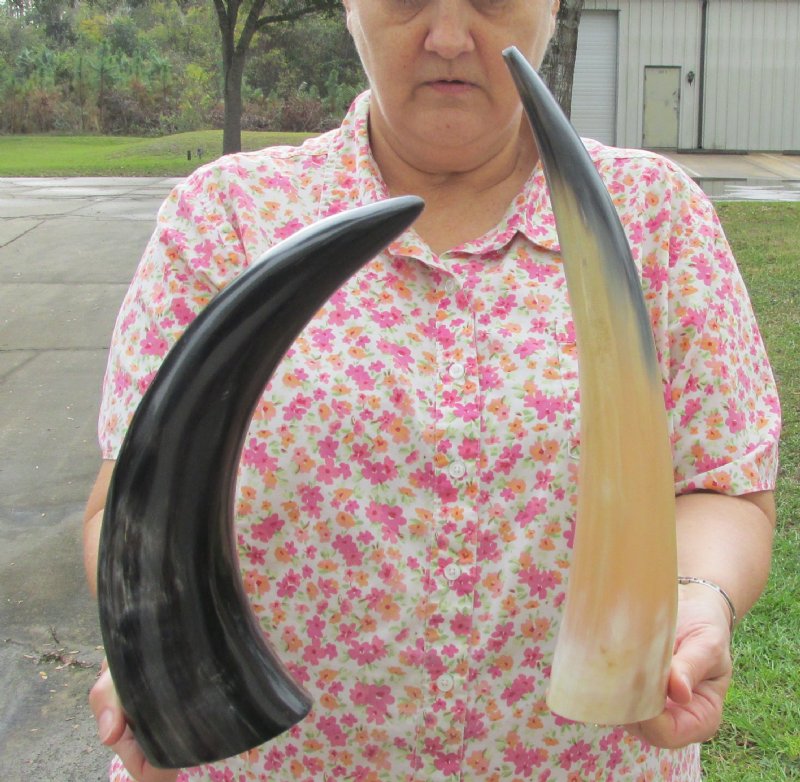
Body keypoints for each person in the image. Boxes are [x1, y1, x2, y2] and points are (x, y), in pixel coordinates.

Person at [83, 1, 780, 780]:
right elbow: (137, 496)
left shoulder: (654, 214)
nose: (448, 37)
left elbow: (723, 483)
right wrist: (157, 641)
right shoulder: (226, 217)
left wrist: (698, 595)